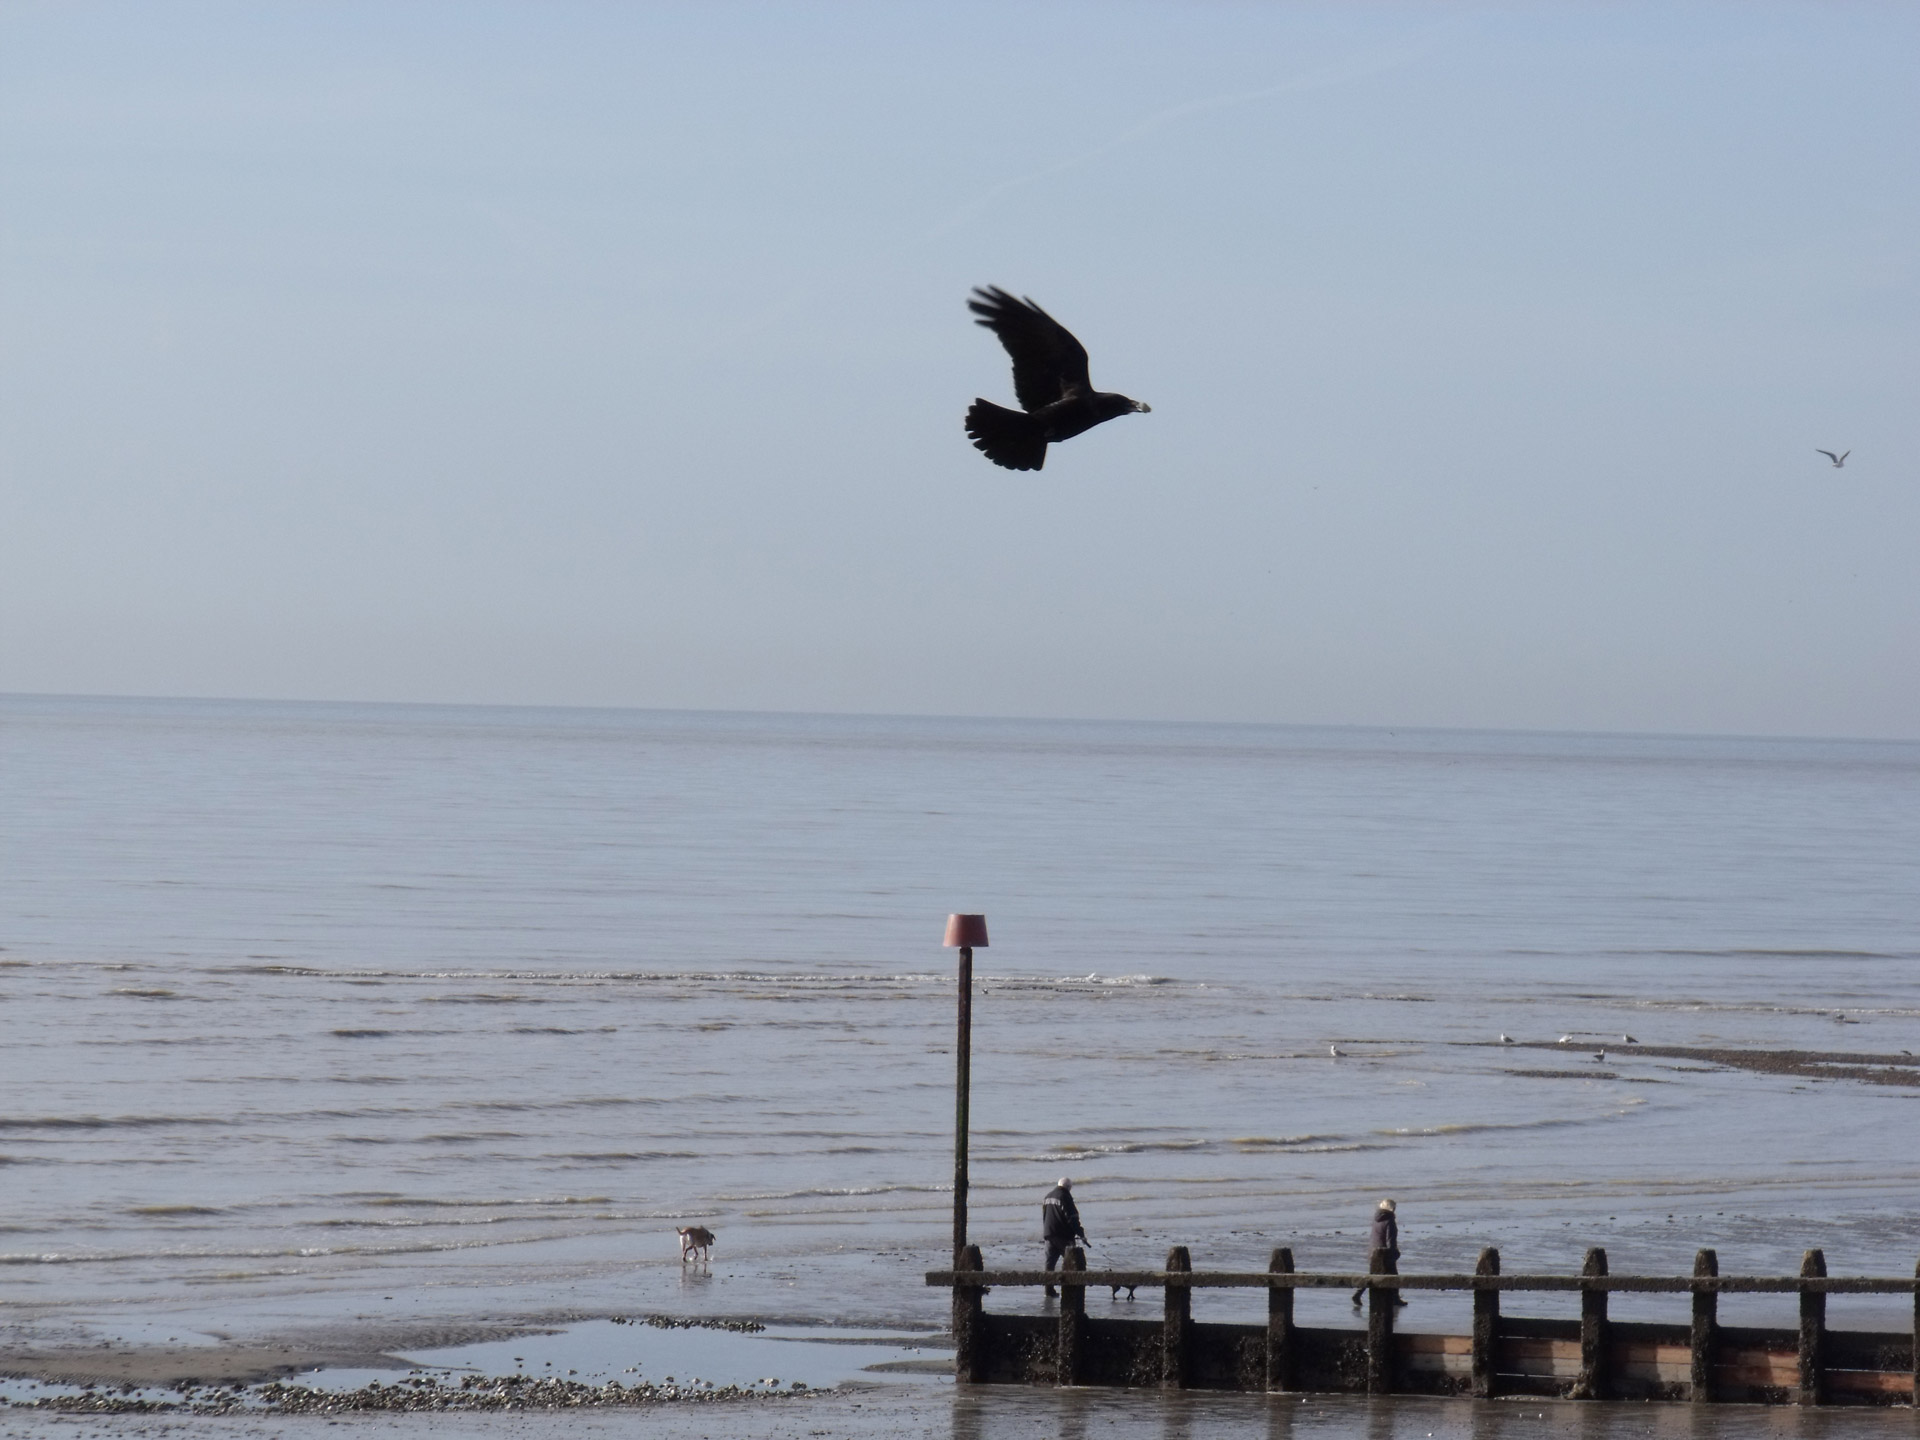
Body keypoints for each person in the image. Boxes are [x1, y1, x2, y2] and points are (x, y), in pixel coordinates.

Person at [1350, 1198, 1404, 1306]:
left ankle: (1358, 1294)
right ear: (1392, 1208)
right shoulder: (1389, 1221)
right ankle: (1395, 1299)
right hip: (1384, 1253)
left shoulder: (1376, 1219)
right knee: (1393, 1275)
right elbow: (1390, 1240)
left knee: (1373, 1276)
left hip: (1373, 1251)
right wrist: (1394, 1253)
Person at [1041, 1176, 1087, 1297]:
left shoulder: (1047, 1196)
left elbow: (1045, 1216)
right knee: (1073, 1263)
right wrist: (1081, 1234)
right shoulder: (1065, 1197)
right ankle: (1071, 1291)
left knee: (1049, 1265)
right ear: (1068, 1187)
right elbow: (1072, 1218)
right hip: (1063, 1236)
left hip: (1049, 1235)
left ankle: (1048, 1290)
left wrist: (1046, 1232)